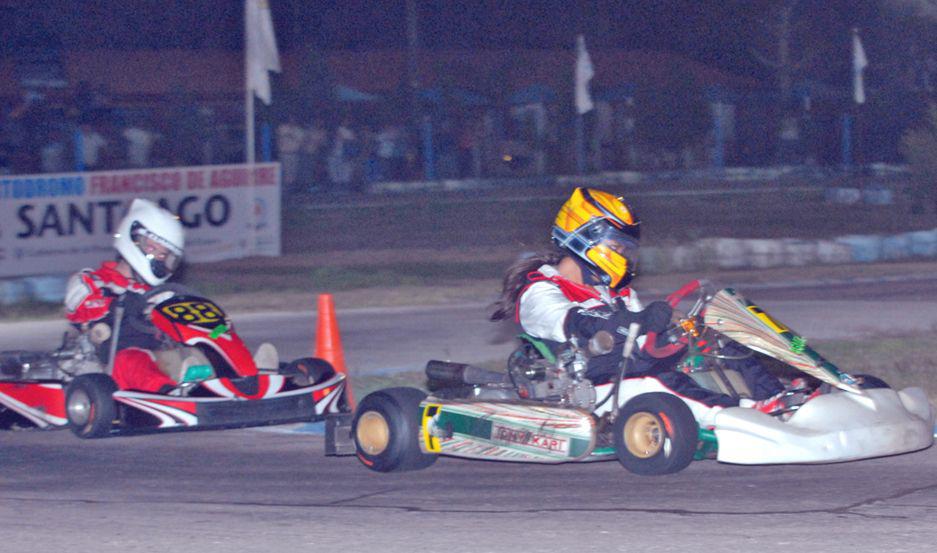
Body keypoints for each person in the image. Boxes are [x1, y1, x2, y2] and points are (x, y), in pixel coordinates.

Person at [491, 187, 788, 419]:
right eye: (616, 246)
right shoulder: (539, 291)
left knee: (712, 332)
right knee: (657, 383)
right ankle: (742, 413)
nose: (622, 254)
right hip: (587, 389)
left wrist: (682, 328)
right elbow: (582, 325)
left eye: (624, 248)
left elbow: (643, 336)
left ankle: (777, 397)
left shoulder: (613, 292)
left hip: (626, 372)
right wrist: (642, 320)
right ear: (587, 238)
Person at [64, 198, 185, 394]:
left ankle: (239, 383)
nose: (158, 257)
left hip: (161, 356)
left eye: (164, 255)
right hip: (111, 362)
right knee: (132, 360)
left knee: (201, 351)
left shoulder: (163, 293)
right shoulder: (93, 281)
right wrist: (121, 304)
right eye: (153, 248)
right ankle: (168, 395)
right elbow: (79, 310)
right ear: (134, 239)